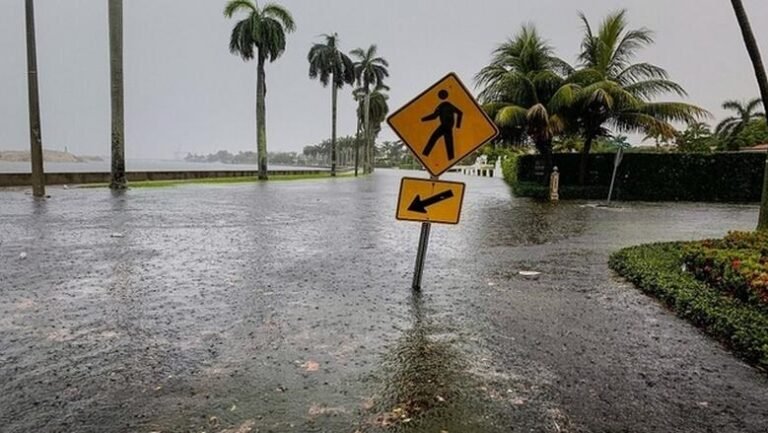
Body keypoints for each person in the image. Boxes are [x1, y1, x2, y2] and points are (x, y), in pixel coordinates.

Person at [421, 90, 463, 161]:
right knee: (449, 143)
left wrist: (422, 119)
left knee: (433, 138)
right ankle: (451, 158)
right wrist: (457, 125)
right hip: (449, 127)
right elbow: (460, 113)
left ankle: (425, 154)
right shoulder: (449, 105)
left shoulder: (442, 106)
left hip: (444, 126)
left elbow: (434, 116)